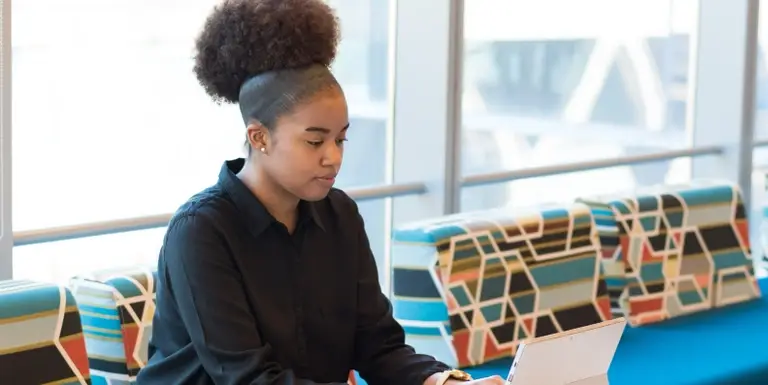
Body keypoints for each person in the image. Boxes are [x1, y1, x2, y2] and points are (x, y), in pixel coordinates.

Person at [136, 0, 505, 384]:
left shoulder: (340, 215)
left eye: (341, 140)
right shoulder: (201, 231)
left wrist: (442, 381)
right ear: (259, 137)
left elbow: (378, 346)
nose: (333, 158)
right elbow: (247, 378)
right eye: (315, 142)